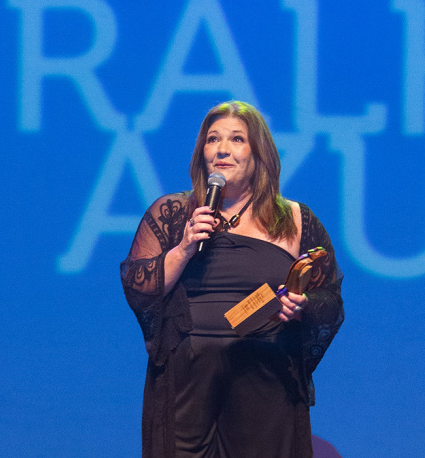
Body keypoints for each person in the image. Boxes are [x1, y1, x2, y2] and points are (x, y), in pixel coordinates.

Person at [121, 101, 345, 458]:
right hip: (187, 384)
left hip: (265, 379)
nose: (222, 149)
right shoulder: (174, 212)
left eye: (237, 139)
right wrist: (181, 249)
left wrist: (302, 307)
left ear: (259, 155)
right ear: (202, 153)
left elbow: (330, 299)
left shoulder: (295, 219)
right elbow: (137, 285)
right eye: (212, 139)